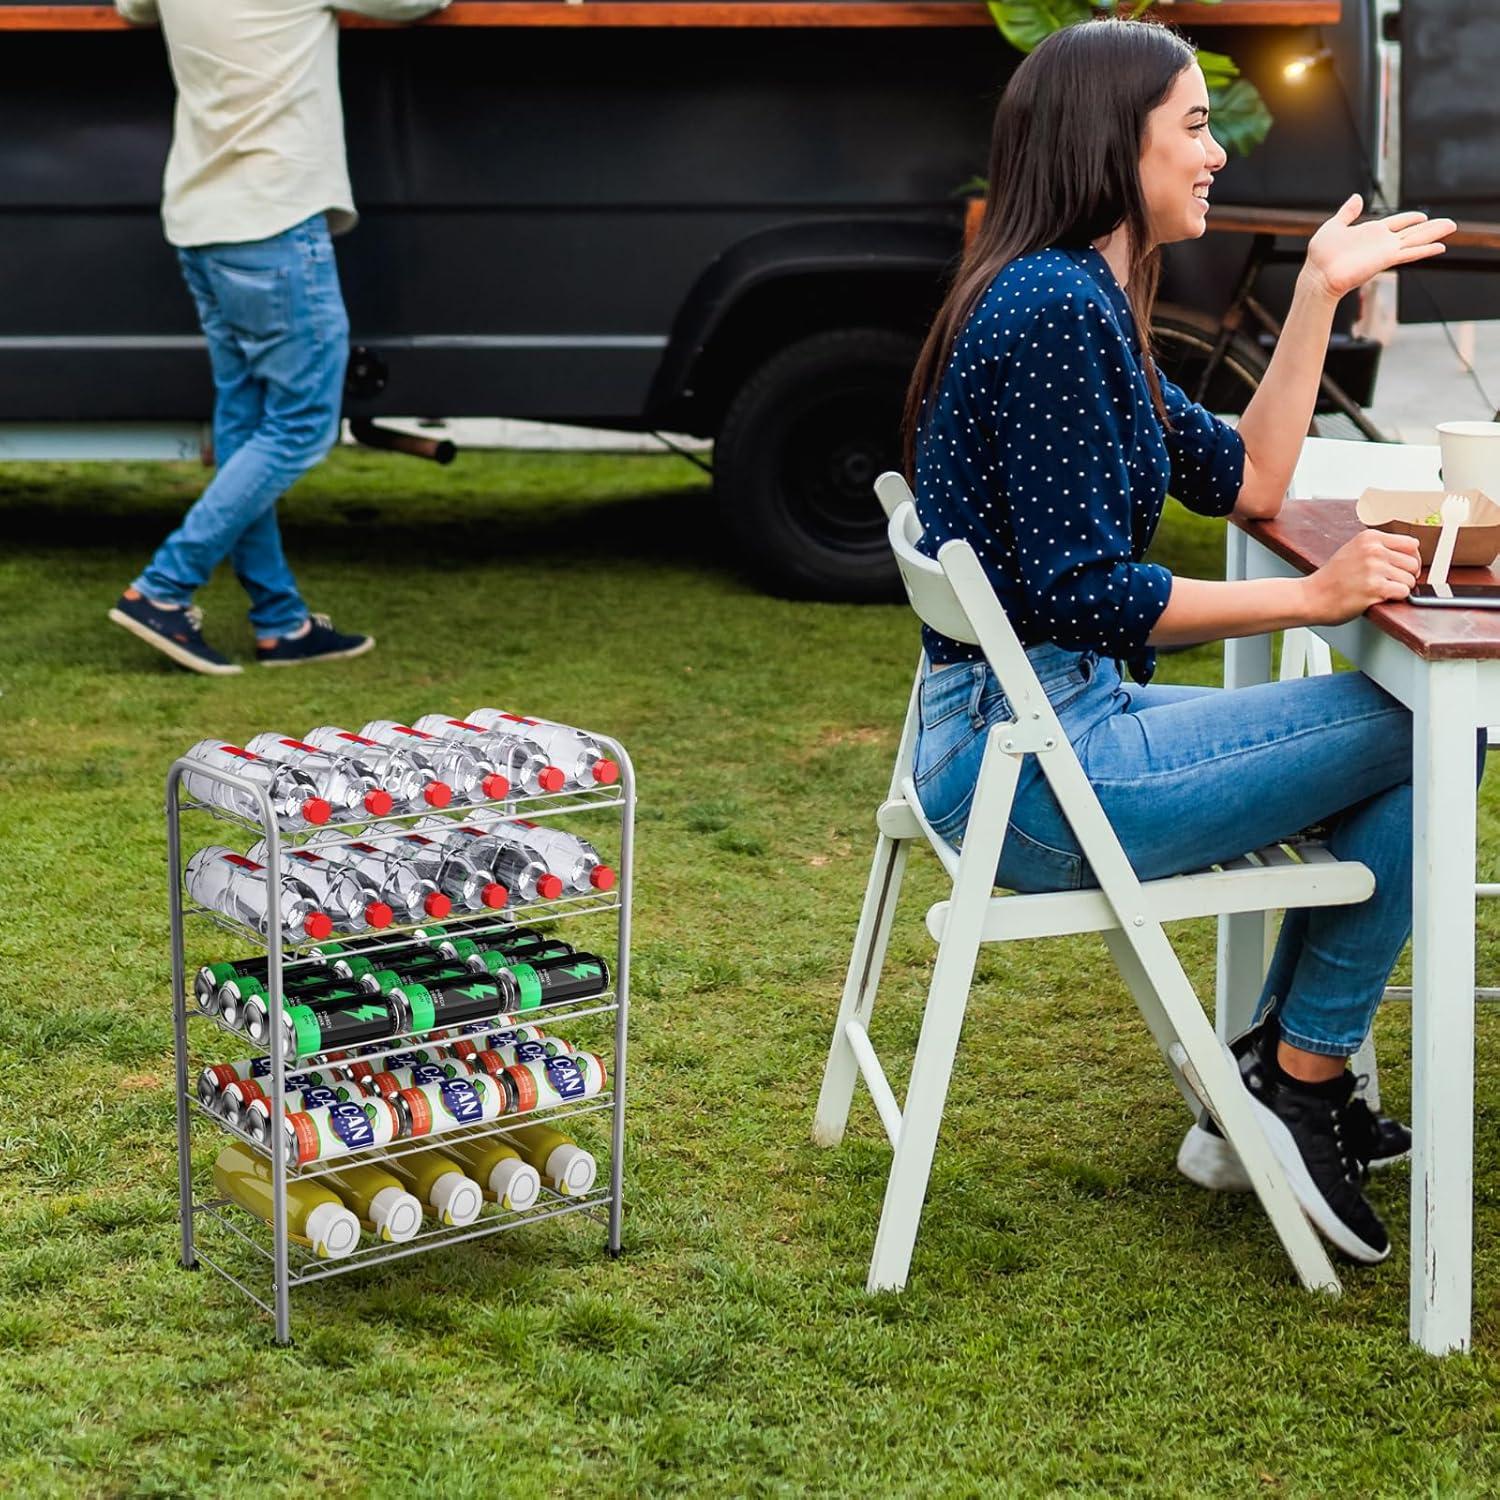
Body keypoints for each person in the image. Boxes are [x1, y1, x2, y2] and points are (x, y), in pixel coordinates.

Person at [906, 18, 1459, 1265]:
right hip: (1043, 773)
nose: (1216, 153)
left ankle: (1282, 1075)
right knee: (1434, 721)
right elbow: (1088, 593)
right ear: (1117, 143)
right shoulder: (1053, 311)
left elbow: (1250, 476)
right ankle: (1295, 1076)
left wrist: (1317, 291)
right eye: (1195, 125)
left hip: (1032, 731)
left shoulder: (1080, 292)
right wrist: (1312, 602)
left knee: (1426, 728)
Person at [109, 0, 449, 675]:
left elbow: (131, 7)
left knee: (248, 424)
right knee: (301, 427)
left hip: (202, 220)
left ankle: (280, 622)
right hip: (273, 223)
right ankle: (164, 589)